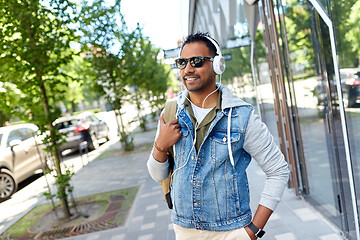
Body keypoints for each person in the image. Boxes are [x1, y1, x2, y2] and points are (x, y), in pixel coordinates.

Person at [147, 32, 289, 240]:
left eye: (196, 61)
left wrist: (253, 231)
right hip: (184, 230)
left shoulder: (242, 116)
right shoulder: (171, 112)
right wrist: (160, 145)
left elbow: (278, 170)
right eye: (182, 62)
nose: (188, 69)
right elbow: (157, 175)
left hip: (232, 231)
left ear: (217, 65)